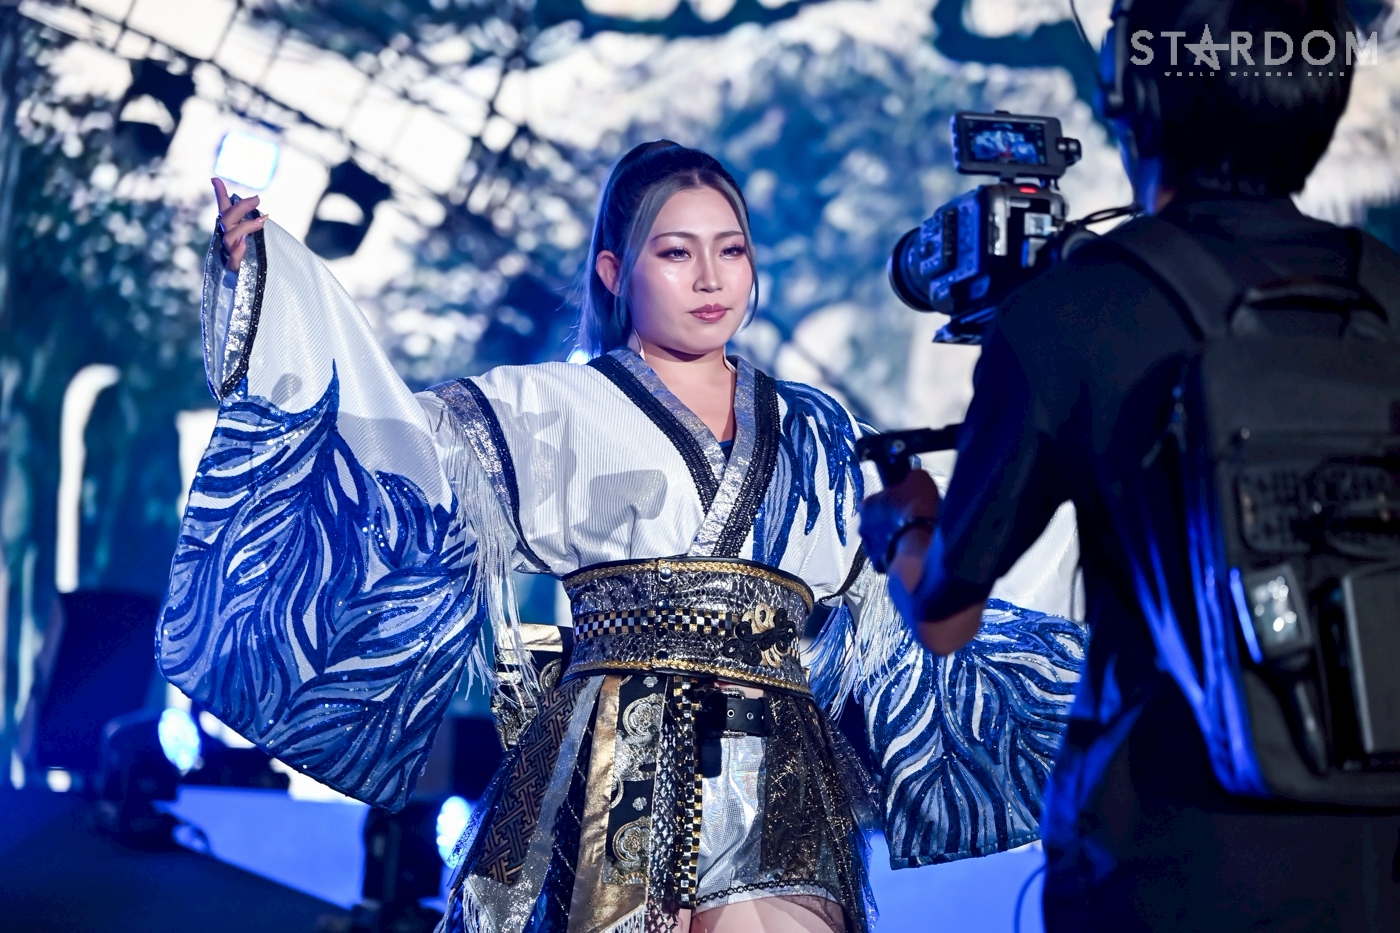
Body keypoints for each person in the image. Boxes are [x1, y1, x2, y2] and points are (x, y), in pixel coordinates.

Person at [160, 141, 1086, 933]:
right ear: (614, 270)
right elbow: (387, 445)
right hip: (605, 765)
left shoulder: (817, 427)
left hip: (780, 771)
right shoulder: (554, 406)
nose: (712, 278)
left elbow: (952, 557)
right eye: (676, 252)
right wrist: (271, 291)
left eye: (731, 249)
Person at [857, 0, 1400, 930]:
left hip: (1160, 859)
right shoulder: (1388, 289)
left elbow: (945, 617)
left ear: (1130, 95)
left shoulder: (1074, 312)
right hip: (1374, 858)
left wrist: (907, 521)